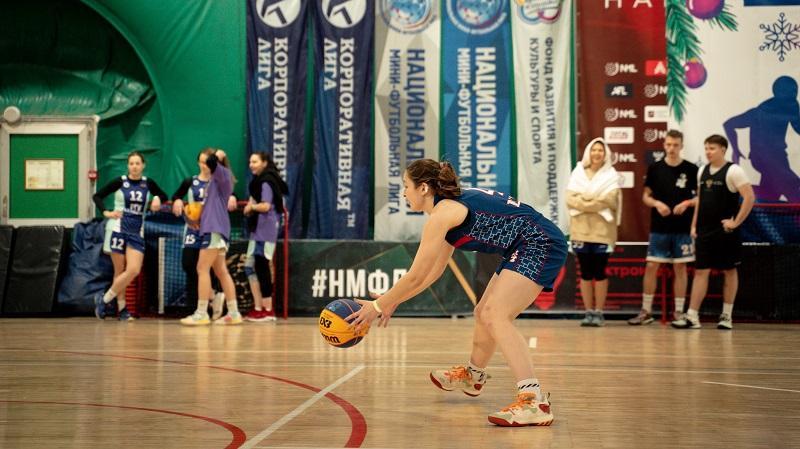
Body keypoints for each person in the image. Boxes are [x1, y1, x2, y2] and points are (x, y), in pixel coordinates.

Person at [347, 159, 568, 427]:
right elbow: (432, 273)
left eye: (406, 186)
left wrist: (378, 306)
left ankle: (534, 401)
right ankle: (473, 377)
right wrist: (393, 300)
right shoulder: (446, 210)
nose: (403, 193)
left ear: (424, 188)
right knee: (483, 313)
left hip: (540, 243)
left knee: (495, 315)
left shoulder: (444, 213)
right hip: (524, 245)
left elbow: (416, 275)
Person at [672, 135, 755, 330]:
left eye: (712, 148)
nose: (708, 152)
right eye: (706, 148)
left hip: (726, 231)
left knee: (729, 271)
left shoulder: (734, 171)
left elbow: (749, 197)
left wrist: (735, 222)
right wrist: (694, 225)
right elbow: (701, 200)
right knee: (701, 271)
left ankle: (726, 316)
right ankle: (692, 316)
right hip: (704, 231)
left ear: (723, 150)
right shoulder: (702, 171)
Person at [629, 130, 698, 325]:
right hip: (659, 227)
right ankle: (646, 311)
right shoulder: (655, 168)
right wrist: (657, 204)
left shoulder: (691, 169)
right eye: (668, 144)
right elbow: (646, 196)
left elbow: (700, 197)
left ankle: (679, 312)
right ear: (664, 145)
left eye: (675, 145)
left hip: (683, 227)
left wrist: (687, 203)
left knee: (680, 268)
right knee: (651, 266)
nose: (671, 148)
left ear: (681, 146)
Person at [92, 151, 168, 321]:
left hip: (136, 230)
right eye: (131, 163)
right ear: (128, 166)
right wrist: (106, 212)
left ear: (143, 165)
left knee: (133, 270)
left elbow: (164, 195)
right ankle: (122, 310)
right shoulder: (120, 182)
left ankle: (104, 300)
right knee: (119, 271)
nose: (134, 167)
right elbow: (97, 196)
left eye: (137, 163)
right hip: (118, 228)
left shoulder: (148, 183)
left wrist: (157, 198)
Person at [171, 149, 237, 321]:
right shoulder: (215, 179)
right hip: (215, 228)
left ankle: (201, 313)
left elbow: (213, 163)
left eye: (208, 162)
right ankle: (233, 312)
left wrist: (219, 155)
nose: (205, 165)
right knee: (221, 271)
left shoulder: (222, 175)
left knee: (202, 269)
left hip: (213, 228)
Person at [565, 138, 621, 327]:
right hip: (580, 231)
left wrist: (584, 201)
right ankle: (588, 312)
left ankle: (599, 312)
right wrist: (595, 201)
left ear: (606, 154)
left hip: (603, 232)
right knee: (586, 273)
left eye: (601, 150)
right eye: (594, 150)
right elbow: (570, 199)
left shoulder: (611, 175)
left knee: (600, 272)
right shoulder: (578, 172)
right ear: (589, 152)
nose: (597, 153)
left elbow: (610, 200)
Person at [723, 76, 800, 202]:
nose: (794, 95)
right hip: (764, 159)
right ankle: (741, 192)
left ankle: (749, 196)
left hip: (778, 158)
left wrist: (736, 150)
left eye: (795, 91)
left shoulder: (791, 106)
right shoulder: (760, 112)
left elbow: (798, 127)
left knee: (770, 194)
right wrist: (736, 150)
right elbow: (729, 124)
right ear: (778, 92)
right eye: (791, 92)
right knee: (793, 187)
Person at [243, 152, 288, 322]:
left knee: (261, 266)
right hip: (258, 230)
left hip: (265, 230)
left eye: (255, 161)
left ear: (264, 163)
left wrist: (251, 207)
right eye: (250, 162)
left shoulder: (266, 181)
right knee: (250, 267)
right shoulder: (258, 182)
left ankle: (268, 310)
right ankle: (258, 307)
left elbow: (266, 206)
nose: (251, 165)